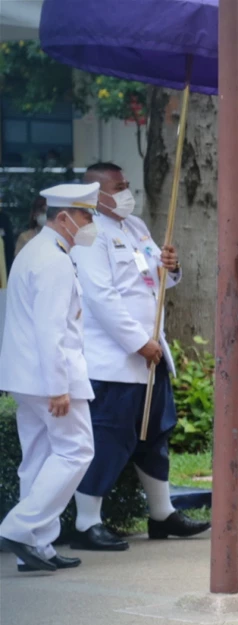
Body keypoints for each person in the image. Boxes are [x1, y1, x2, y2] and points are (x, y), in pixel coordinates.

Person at [70, 162, 210, 550]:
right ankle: (87, 523)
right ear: (97, 194)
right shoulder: (89, 234)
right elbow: (101, 297)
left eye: (127, 184)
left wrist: (173, 266)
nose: (126, 191)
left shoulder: (137, 228)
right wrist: (137, 342)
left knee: (155, 435)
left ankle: (162, 514)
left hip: (151, 353)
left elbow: (155, 281)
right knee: (109, 438)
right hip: (114, 360)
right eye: (119, 186)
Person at [0, 183, 101, 572]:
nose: (91, 223)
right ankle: (20, 528)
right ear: (64, 218)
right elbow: (50, 329)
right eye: (86, 215)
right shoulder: (54, 259)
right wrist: (58, 386)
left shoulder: (37, 252)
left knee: (39, 458)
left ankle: (39, 547)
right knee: (76, 451)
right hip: (51, 378)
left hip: (27, 376)